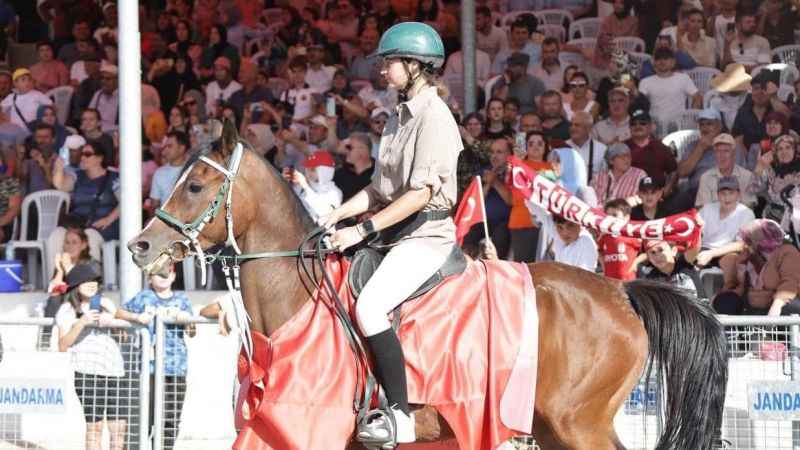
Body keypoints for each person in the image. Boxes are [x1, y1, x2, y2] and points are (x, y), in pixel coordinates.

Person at [322, 23, 460, 445]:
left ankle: (400, 413)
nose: (383, 69)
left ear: (416, 65)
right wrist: (337, 215)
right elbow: (379, 190)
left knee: (370, 308)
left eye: (390, 61)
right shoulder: (396, 118)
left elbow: (418, 195)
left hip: (426, 237)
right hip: (393, 234)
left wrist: (361, 229)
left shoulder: (434, 118)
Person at [56, 262, 147, 450]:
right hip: (87, 373)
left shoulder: (106, 303)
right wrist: (82, 322)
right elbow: (63, 345)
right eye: (86, 280)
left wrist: (112, 323)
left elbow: (122, 338)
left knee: (118, 429)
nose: (91, 284)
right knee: (94, 428)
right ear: (75, 285)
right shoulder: (67, 309)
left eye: (95, 281)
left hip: (115, 371)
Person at [123, 265, 193, 450]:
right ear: (149, 277)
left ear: (174, 276)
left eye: (167, 272)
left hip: (176, 368)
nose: (163, 277)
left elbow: (192, 331)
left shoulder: (182, 300)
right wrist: (137, 317)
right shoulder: (143, 297)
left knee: (170, 419)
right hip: (149, 368)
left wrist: (184, 319)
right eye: (158, 273)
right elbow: (119, 312)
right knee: (145, 417)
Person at [714, 219, 800, 315]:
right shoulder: (747, 255)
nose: (748, 243)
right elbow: (741, 286)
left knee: (789, 308)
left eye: (753, 238)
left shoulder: (787, 252)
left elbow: (790, 282)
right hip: (752, 302)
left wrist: (777, 305)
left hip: (779, 302)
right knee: (725, 302)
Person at [508, 131, 552, 263]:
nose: (535, 146)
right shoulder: (517, 164)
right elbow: (511, 185)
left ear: (546, 146)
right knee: (524, 267)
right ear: (526, 146)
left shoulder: (553, 168)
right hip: (522, 221)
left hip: (547, 223)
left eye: (540, 143)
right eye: (531, 143)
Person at [696, 176, 755, 268]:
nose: (727, 197)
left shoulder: (746, 213)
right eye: (723, 193)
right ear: (718, 195)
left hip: (727, 252)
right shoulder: (707, 209)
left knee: (731, 260)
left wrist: (711, 253)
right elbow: (695, 232)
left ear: (738, 194)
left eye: (731, 193)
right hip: (703, 249)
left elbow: (741, 244)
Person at [748, 134, 800, 232]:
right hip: (772, 222)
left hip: (796, 224)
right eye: (780, 149)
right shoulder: (771, 171)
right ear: (775, 153)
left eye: (788, 147)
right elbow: (752, 189)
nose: (784, 152)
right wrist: (760, 166)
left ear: (795, 150)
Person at [695, 133, 756, 208]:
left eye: (726, 151)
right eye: (718, 151)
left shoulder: (747, 176)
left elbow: (749, 207)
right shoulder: (706, 177)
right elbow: (704, 209)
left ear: (734, 154)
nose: (721, 155)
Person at [285, 151, 343, 221]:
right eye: (307, 167)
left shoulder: (335, 192)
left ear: (324, 172)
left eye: (313, 169)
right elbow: (289, 202)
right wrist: (285, 182)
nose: (308, 172)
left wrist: (306, 187)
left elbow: (326, 213)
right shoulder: (302, 185)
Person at [638, 239, 703, 298]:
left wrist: (697, 228)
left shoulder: (685, 263)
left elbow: (695, 248)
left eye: (661, 250)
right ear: (648, 258)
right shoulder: (649, 280)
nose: (657, 256)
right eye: (653, 252)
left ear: (674, 251)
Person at [597, 199, 641, 281]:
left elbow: (646, 252)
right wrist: (604, 265)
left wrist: (636, 263)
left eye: (615, 215)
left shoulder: (632, 235)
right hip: (610, 281)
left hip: (628, 282)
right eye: (608, 216)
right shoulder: (604, 236)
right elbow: (599, 250)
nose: (611, 219)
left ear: (626, 218)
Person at [566, 111, 606, 183]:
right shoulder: (561, 147)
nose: (572, 128)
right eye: (571, 125)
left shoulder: (602, 150)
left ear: (589, 128)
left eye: (577, 125)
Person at [334, 132, 375, 202]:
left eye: (349, 147)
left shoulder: (379, 174)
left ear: (363, 150)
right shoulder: (339, 174)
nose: (345, 151)